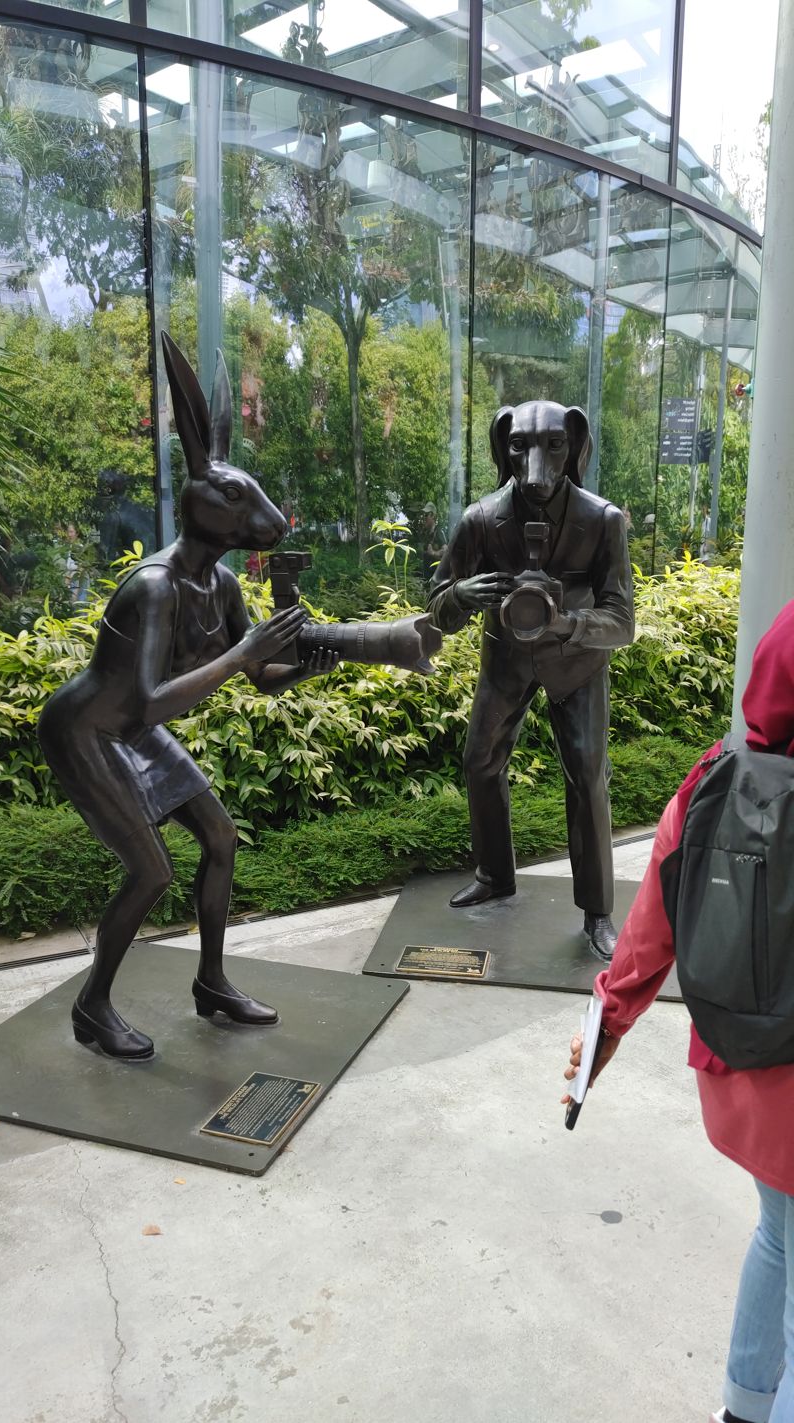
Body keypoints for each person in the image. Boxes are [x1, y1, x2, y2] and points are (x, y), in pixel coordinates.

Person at [561, 600, 794, 1423]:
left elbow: (644, 938)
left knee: (779, 1236)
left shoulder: (710, 783)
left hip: (739, 1080)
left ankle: (742, 1407)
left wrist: (599, 1042)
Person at [428, 400, 633, 960]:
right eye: (520, 446)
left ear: (576, 445)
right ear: (503, 446)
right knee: (479, 761)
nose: (536, 463)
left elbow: (623, 622)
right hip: (506, 662)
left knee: (588, 774)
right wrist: (461, 596)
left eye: (553, 446)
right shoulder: (479, 519)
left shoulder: (603, 520)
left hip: (577, 664)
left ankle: (597, 911)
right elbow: (436, 606)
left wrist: (567, 622)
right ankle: (496, 873)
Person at [421, 501, 447, 580]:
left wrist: (433, 553)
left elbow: (446, 550)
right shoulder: (427, 534)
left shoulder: (439, 532)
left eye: (426, 515)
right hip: (428, 577)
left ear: (432, 516)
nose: (424, 518)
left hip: (437, 578)